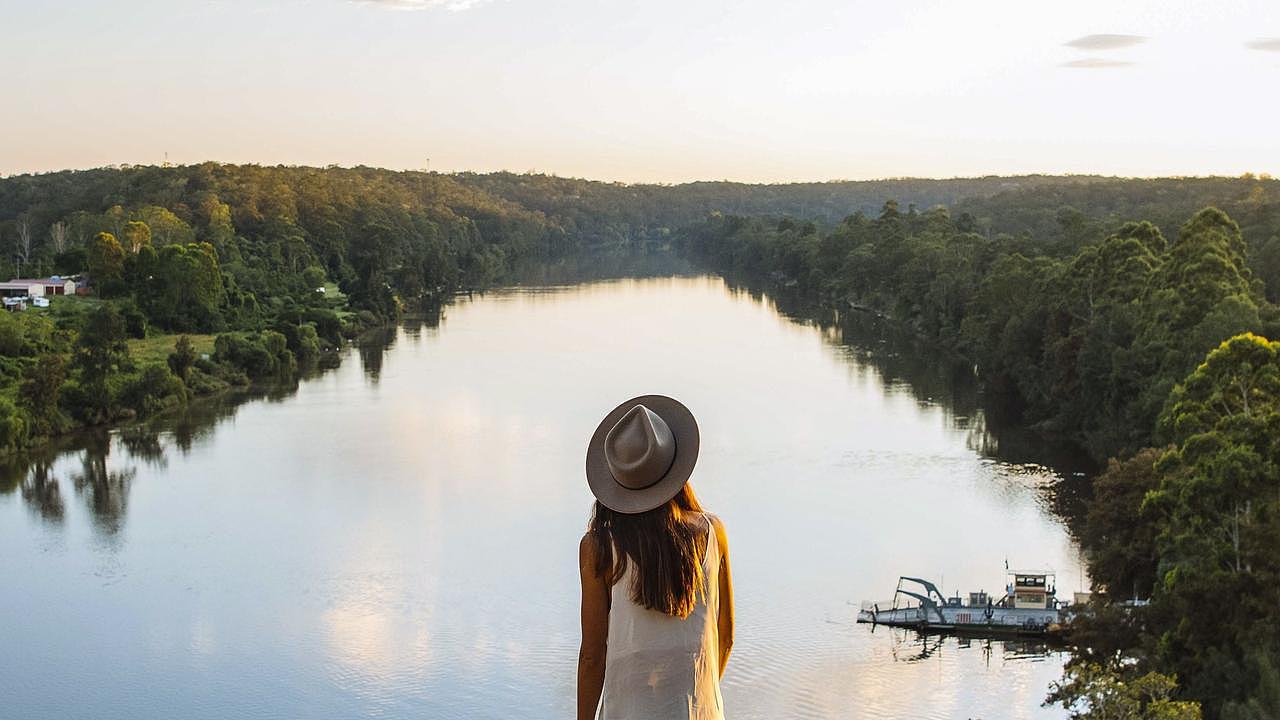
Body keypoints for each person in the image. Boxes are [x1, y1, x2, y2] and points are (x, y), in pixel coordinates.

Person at [577, 395, 734, 720]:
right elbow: (726, 634)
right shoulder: (712, 533)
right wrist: (691, 697)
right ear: (675, 470)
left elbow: (593, 655)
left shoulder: (599, 547)